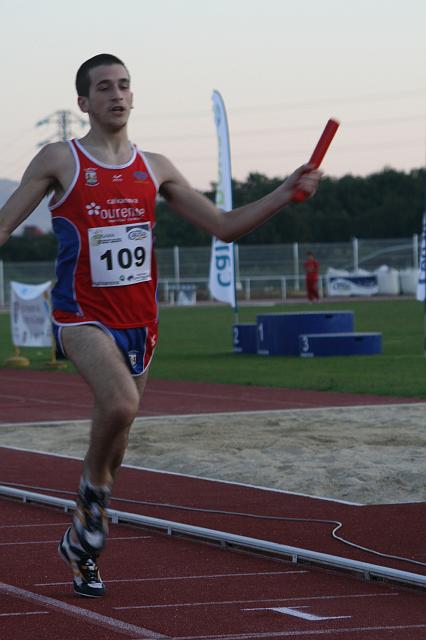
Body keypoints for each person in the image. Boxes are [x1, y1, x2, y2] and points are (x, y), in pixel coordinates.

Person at [0, 54, 321, 598]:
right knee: (122, 405)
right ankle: (90, 508)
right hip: (82, 318)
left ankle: (81, 548)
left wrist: (286, 192)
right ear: (84, 102)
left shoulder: (156, 167)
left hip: (142, 326)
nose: (117, 95)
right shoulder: (60, 159)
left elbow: (223, 226)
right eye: (104, 87)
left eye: (124, 85)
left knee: (119, 434)